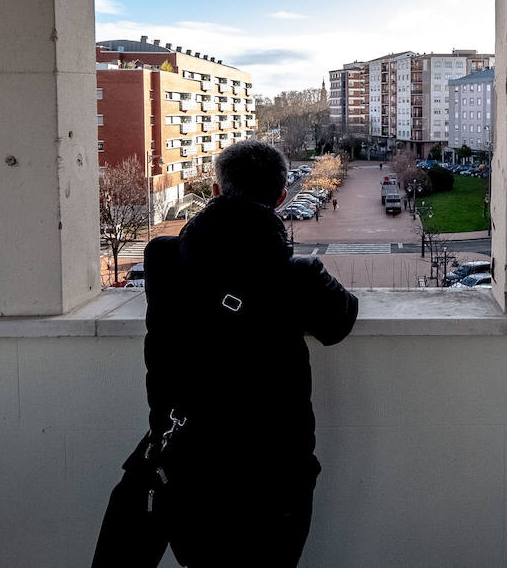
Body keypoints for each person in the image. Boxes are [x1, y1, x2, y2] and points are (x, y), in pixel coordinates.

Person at [93, 140, 358, 567]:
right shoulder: (298, 278)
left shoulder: (163, 260)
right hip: (274, 475)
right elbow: (339, 323)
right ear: (281, 199)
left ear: (216, 191)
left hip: (186, 467)